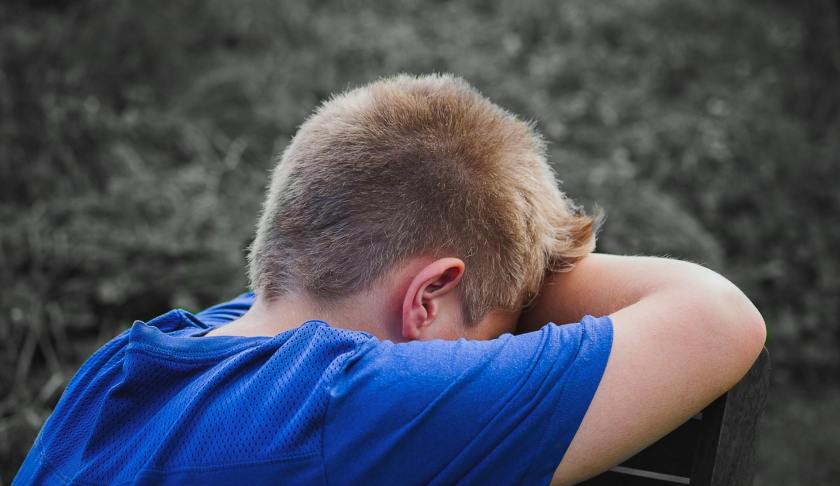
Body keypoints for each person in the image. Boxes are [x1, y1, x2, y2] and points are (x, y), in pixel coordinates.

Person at [14, 74, 766, 485]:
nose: (486, 356)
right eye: (495, 337)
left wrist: (501, 278)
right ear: (427, 298)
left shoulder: (124, 367)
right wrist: (529, 273)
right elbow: (717, 316)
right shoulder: (347, 405)